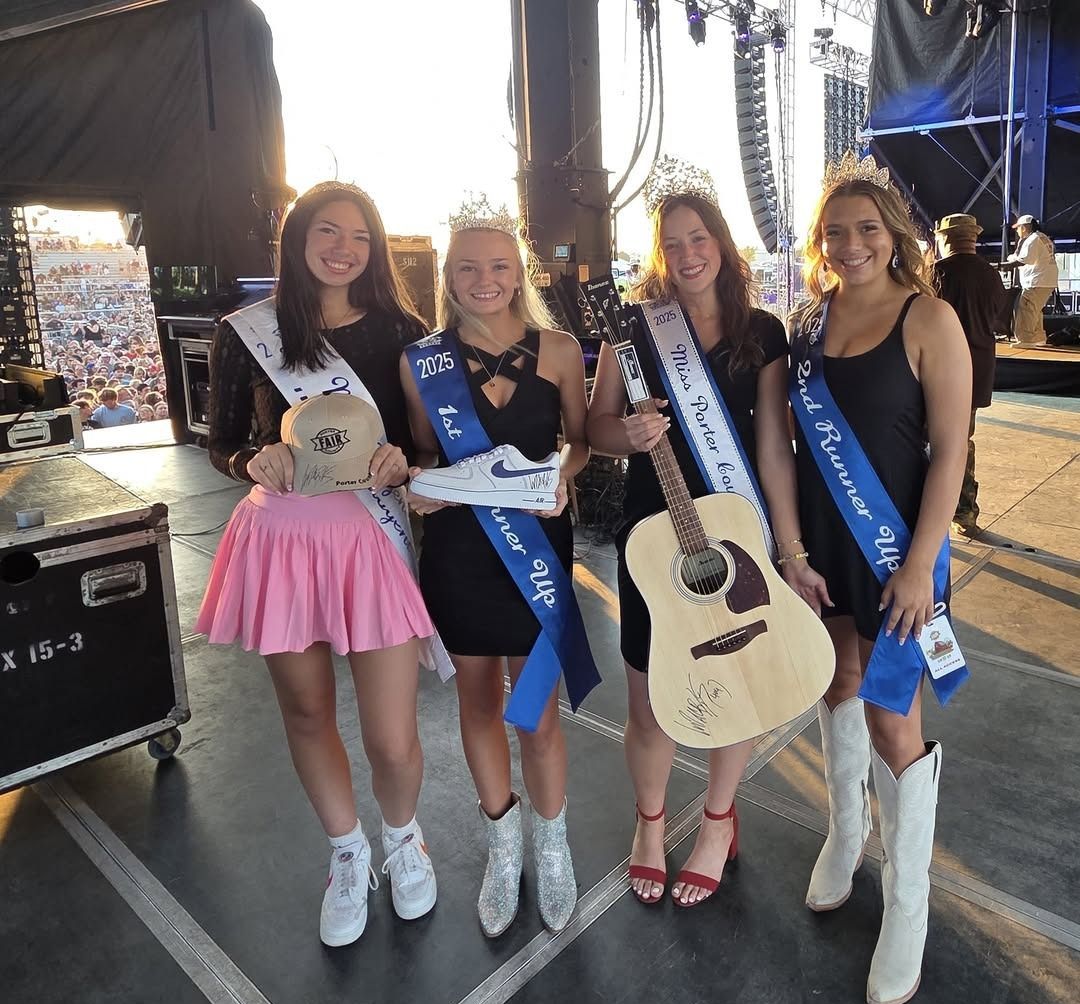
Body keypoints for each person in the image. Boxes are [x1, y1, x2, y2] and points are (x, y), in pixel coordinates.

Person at [195, 181, 451, 948]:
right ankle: (347, 853)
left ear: (376, 248)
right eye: (327, 232)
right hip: (283, 542)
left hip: (371, 542)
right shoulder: (249, 332)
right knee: (306, 711)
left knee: (392, 735)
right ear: (298, 240)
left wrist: (405, 461)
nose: (344, 248)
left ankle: (404, 837)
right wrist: (253, 458)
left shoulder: (407, 330)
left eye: (360, 236)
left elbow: (425, 445)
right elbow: (220, 441)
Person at [586, 156, 830, 910]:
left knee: (741, 685)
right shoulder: (635, 326)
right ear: (661, 251)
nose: (689, 254)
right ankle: (650, 823)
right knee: (652, 698)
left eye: (701, 238)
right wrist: (626, 433)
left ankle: (720, 821)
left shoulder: (762, 332)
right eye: (674, 242)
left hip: (734, 530)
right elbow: (594, 428)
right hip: (651, 535)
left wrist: (788, 553)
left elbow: (771, 449)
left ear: (722, 244)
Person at [789, 153, 971, 1004]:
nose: (851, 243)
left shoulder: (929, 317)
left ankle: (910, 903)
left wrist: (921, 564)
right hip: (828, 546)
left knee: (895, 719)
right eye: (836, 231)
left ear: (894, 233)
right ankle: (845, 830)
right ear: (820, 243)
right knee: (839, 685)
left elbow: (951, 452)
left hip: (900, 551)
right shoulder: (804, 325)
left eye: (867, 228)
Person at [400, 197, 598, 936]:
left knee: (537, 712)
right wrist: (421, 485)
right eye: (468, 268)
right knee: (478, 704)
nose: (485, 280)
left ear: (520, 273)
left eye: (499, 266)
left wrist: (563, 476)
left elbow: (578, 441)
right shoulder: (421, 359)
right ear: (448, 276)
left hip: (538, 550)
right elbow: (425, 450)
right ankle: (501, 842)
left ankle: (551, 845)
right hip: (459, 554)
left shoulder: (558, 349)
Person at [932, 213, 1010, 535]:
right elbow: (1001, 322)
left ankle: (931, 512)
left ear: (945, 239)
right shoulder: (990, 275)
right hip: (977, 370)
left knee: (931, 443)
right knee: (962, 442)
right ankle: (965, 515)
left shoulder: (936, 273)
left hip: (939, 370)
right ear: (973, 239)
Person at [1001, 214, 1058, 345]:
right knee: (1035, 310)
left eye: (1018, 228)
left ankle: (1025, 339)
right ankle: (1038, 337)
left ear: (1025, 227)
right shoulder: (1042, 237)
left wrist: (1001, 266)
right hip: (1045, 280)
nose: (1016, 230)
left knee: (1025, 308)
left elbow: (1024, 261)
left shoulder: (1032, 239)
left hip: (1036, 281)